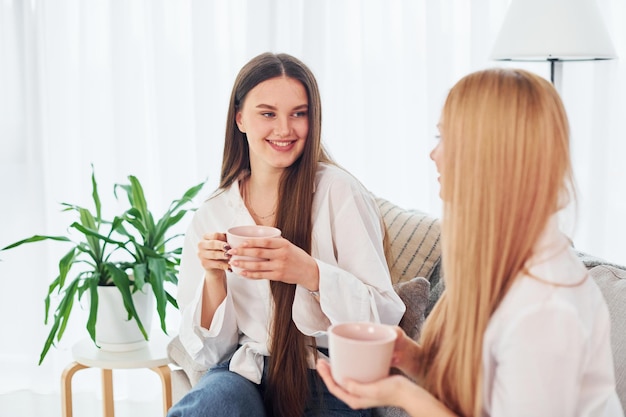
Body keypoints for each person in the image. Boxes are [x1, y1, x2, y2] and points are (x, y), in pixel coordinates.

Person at [316, 68, 624, 417]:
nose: (434, 154)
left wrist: (404, 394)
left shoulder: (546, 309)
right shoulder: (502, 261)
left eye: (444, 137)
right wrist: (415, 361)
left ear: (487, 155)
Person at [167, 52, 406, 417]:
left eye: (299, 113)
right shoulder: (213, 213)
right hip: (244, 371)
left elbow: (384, 318)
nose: (284, 129)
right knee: (209, 406)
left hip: (324, 372)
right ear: (240, 118)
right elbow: (208, 353)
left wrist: (309, 273)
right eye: (268, 113)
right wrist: (214, 277)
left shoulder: (338, 192)